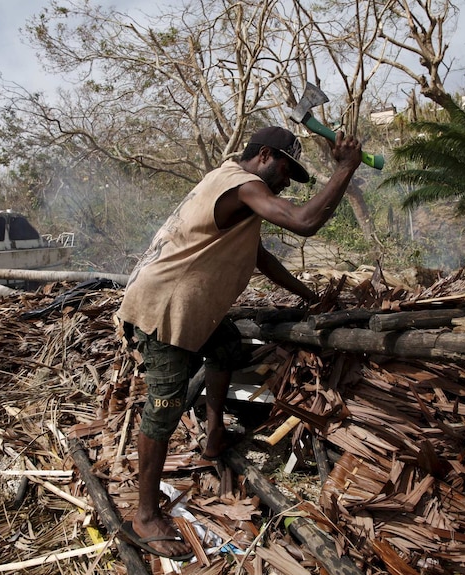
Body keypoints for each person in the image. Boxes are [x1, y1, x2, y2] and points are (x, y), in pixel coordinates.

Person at [116, 126, 362, 560]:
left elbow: (261, 257)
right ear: (265, 155)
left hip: (195, 309)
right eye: (287, 170)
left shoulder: (235, 191)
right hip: (165, 309)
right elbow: (304, 222)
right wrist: (345, 168)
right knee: (163, 410)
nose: (287, 183)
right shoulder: (239, 184)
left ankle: (213, 438)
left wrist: (308, 298)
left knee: (226, 349)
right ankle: (145, 515)